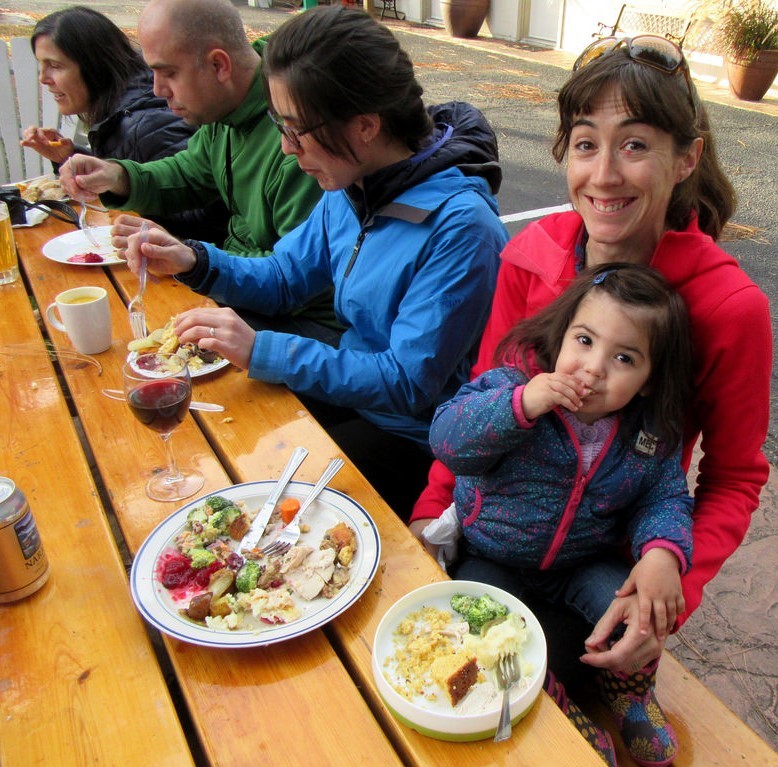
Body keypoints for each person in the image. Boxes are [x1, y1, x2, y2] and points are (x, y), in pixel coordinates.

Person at [410, 34, 771, 766]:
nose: (603, 175)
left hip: (606, 559)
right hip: (499, 541)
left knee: (556, 691)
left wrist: (669, 586)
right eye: (584, 144)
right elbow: (479, 402)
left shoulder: (728, 306)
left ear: (687, 158)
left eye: (634, 145)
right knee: (474, 678)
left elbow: (731, 477)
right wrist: (431, 512)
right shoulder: (529, 254)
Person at [117, 6, 508, 518]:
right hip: (352, 398)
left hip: (412, 438)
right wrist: (194, 261)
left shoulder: (461, 228)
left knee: (255, 506)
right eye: (280, 124)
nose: (284, 147)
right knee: (214, 439)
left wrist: (264, 349)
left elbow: (407, 384)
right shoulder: (355, 185)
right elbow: (284, 278)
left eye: (297, 130)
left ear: (366, 125)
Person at [430, 264, 694, 765]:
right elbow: (448, 440)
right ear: (562, 335)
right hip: (493, 555)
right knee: (483, 629)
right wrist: (520, 405)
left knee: (634, 608)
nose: (594, 368)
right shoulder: (510, 385)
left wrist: (663, 554)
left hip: (581, 559)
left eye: (624, 357)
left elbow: (664, 497)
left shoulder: (649, 432)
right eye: (585, 340)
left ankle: (631, 694)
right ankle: (552, 706)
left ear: (646, 381)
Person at [57, 0, 327, 324]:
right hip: (237, 293)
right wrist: (119, 176)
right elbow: (190, 172)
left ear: (218, 65)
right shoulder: (225, 107)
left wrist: (190, 258)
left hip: (298, 322)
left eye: (168, 72)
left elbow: (296, 283)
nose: (158, 90)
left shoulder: (297, 146)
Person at [21, 6, 227, 244]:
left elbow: (207, 217)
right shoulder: (119, 111)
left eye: (55, 65)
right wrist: (67, 156)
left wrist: (131, 203)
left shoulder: (145, 125)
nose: (43, 78)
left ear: (93, 67)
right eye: (41, 65)